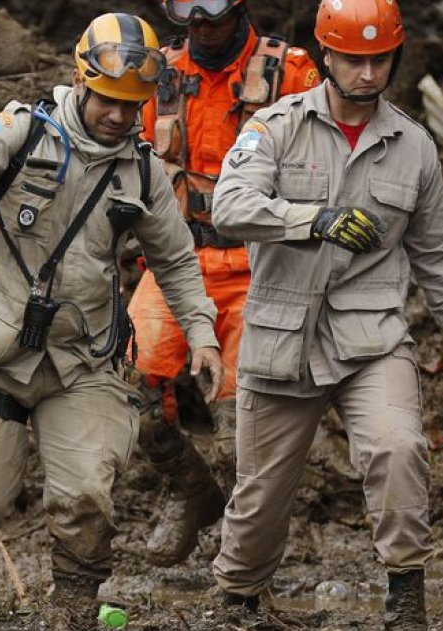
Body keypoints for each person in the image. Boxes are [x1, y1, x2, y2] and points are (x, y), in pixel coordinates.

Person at [207, 0, 443, 631]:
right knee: (261, 493)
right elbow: (229, 206)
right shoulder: (275, 128)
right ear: (327, 55)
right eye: (353, 58)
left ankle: (406, 598)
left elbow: (440, 261)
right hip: (282, 337)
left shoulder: (414, 147)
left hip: (370, 336)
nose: (367, 72)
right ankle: (239, 600)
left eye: (379, 58)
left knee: (399, 447)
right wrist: (311, 220)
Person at [0, 12, 224, 625]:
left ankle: (74, 616)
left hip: (82, 356)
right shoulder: (23, 131)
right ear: (81, 82)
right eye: (108, 100)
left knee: (85, 492)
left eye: (133, 106)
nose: (119, 116)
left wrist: (204, 337)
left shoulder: (143, 170)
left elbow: (178, 262)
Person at [130, 0, 320, 567]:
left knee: (246, 424)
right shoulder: (155, 74)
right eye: (186, 7)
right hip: (176, 262)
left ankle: (245, 549)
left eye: (212, 7)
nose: (200, 20)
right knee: (126, 394)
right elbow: (118, 155)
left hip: (262, 266)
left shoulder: (290, 73)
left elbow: (328, 162)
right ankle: (189, 491)